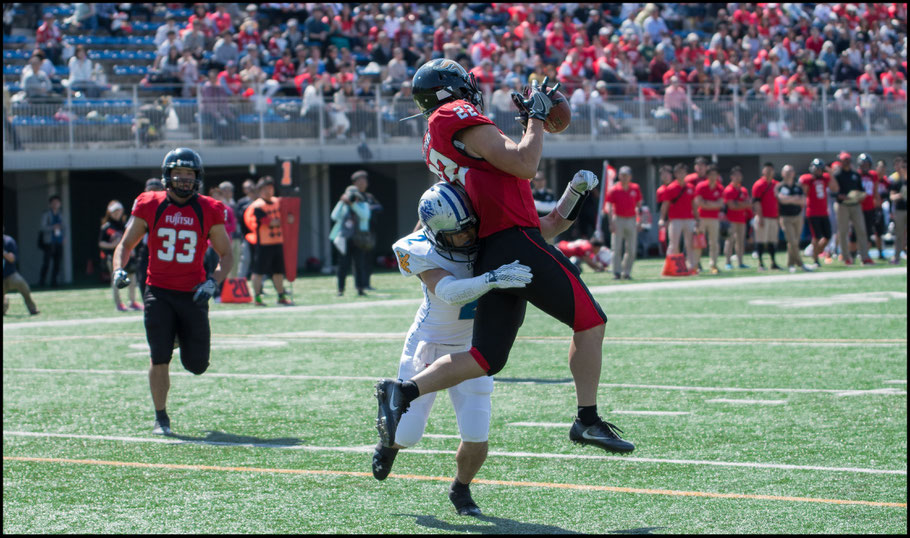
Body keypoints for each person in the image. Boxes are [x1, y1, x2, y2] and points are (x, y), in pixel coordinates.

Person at [376, 60, 632, 462]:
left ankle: (403, 391)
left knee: (487, 358)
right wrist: (535, 118)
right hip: (512, 245)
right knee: (591, 321)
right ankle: (587, 417)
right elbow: (526, 163)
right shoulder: (451, 113)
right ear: (450, 92)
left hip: (501, 247)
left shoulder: (466, 159)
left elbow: (544, 226)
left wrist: (576, 192)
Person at [374, 182, 533, 516]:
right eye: (459, 234)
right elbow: (449, 292)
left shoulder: (484, 235)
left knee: (477, 435)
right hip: (428, 347)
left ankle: (460, 490)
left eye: (470, 228)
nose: (469, 237)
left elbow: (544, 228)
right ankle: (389, 444)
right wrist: (491, 279)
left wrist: (573, 197)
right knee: (408, 434)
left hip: (471, 350)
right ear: (438, 234)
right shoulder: (421, 251)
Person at [111, 147, 233, 435]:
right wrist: (119, 268)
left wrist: (213, 282)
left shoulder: (209, 208)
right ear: (167, 176)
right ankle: (161, 417)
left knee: (197, 364)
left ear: (197, 177)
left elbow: (226, 255)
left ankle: (176, 337)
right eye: (178, 173)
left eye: (189, 174)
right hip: (158, 291)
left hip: (193, 293)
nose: (183, 179)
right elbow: (126, 245)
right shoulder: (149, 204)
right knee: (159, 356)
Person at [243, 176, 291, 306]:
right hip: (263, 244)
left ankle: (281, 296)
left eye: (270, 188)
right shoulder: (258, 206)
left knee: (278, 272)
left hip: (277, 242)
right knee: (258, 271)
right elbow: (270, 222)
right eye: (265, 189)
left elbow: (289, 216)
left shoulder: (278, 202)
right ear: (259, 191)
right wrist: (284, 220)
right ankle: (257, 298)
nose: (268, 191)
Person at [329, 182, 370, 297]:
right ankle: (340, 289)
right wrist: (341, 202)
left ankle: (360, 288)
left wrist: (353, 204)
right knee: (342, 265)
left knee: (359, 264)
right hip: (344, 239)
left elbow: (364, 216)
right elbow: (334, 216)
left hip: (359, 239)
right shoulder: (343, 206)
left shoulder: (363, 205)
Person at [833, 152, 874, 266]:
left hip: (855, 204)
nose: (847, 162)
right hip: (843, 205)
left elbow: (860, 189)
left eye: (848, 160)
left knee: (861, 230)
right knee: (843, 231)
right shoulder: (837, 175)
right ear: (841, 162)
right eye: (844, 160)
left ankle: (865, 257)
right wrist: (840, 196)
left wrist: (860, 195)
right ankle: (846, 257)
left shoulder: (855, 174)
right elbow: (833, 191)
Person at [99, 200, 140, 311]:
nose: (117, 213)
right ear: (110, 213)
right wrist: (112, 245)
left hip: (126, 256)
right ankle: (119, 304)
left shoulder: (125, 224)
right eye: (114, 211)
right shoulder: (106, 227)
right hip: (112, 257)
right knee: (116, 279)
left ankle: (132, 302)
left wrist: (131, 250)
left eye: (118, 211)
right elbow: (101, 243)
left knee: (132, 278)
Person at [604, 166, 641, 280]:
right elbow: (609, 207)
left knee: (631, 248)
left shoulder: (635, 188)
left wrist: (639, 220)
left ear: (630, 176)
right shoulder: (614, 189)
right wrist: (611, 222)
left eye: (627, 175)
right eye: (622, 175)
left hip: (631, 219)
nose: (624, 178)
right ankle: (616, 272)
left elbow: (638, 206)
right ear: (619, 176)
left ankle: (626, 272)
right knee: (616, 247)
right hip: (618, 219)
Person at [799, 158, 837, 267]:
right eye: (816, 169)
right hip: (812, 212)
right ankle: (815, 259)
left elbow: (834, 188)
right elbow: (804, 193)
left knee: (828, 236)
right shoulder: (808, 179)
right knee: (816, 237)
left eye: (820, 169)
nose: (818, 171)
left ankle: (815, 253)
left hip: (824, 212)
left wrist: (830, 173)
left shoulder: (825, 178)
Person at [349, 170, 382, 291]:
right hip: (356, 233)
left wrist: (369, 208)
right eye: (360, 181)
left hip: (369, 232)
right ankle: (359, 284)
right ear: (354, 183)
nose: (363, 183)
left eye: (364, 181)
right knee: (358, 260)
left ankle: (367, 283)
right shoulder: (352, 197)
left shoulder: (369, 197)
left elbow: (379, 207)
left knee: (368, 259)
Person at [776, 165, 812, 272]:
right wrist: (794, 199)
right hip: (786, 217)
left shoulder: (798, 186)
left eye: (791, 171)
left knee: (795, 241)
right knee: (792, 241)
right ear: (783, 173)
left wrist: (789, 199)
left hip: (797, 216)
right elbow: (782, 200)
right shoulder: (780, 186)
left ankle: (790, 264)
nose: (789, 173)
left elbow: (803, 201)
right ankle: (800, 263)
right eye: (787, 172)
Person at [663, 163, 698, 272]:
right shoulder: (671, 188)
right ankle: (674, 267)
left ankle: (692, 267)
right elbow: (665, 204)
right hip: (675, 219)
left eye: (683, 172)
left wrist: (697, 218)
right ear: (675, 174)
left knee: (690, 244)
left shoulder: (691, 187)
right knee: (674, 244)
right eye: (679, 172)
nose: (681, 174)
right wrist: (662, 218)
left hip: (689, 218)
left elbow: (694, 204)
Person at [135, 178, 166, 298]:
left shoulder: (168, 205)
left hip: (163, 250)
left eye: (156, 190)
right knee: (143, 279)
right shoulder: (141, 204)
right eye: (150, 190)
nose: (153, 194)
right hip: (146, 248)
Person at [694, 164, 725, 274]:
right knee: (699, 242)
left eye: (715, 174)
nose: (713, 177)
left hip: (714, 218)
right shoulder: (701, 186)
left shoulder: (720, 188)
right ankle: (697, 264)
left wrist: (707, 203)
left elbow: (721, 204)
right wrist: (713, 204)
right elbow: (699, 202)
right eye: (711, 174)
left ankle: (713, 264)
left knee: (714, 242)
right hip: (701, 217)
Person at [752, 162, 783, 271]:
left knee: (772, 241)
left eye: (771, 170)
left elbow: (778, 202)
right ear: (763, 171)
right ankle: (760, 263)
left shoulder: (776, 185)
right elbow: (756, 202)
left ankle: (773, 262)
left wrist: (779, 217)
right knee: (761, 241)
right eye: (767, 170)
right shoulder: (759, 184)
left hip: (773, 217)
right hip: (763, 217)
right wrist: (759, 217)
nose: (769, 173)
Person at [3, 229, 40, 316]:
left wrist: (4, 252)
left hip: (10, 274)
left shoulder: (8, 241)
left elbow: (12, 259)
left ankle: (32, 308)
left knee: (21, 282)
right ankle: (4, 303)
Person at [856, 153, 885, 260]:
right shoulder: (856, 175)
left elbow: (876, 192)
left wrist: (878, 206)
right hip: (858, 208)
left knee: (868, 231)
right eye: (863, 164)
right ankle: (856, 252)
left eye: (867, 164)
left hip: (870, 207)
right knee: (858, 231)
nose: (865, 166)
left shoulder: (873, 175)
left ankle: (865, 252)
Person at [723, 166, 751, 270]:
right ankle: (728, 262)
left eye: (739, 175)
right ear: (731, 177)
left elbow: (749, 204)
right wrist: (742, 204)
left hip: (741, 220)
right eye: (736, 175)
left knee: (740, 241)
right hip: (730, 220)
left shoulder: (743, 190)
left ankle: (740, 262)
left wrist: (739, 204)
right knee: (729, 241)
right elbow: (731, 206)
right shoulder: (728, 190)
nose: (738, 177)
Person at [38, 194, 65, 287]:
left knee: (57, 262)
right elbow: (42, 227)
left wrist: (63, 237)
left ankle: (54, 282)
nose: (55, 204)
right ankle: (42, 281)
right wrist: (53, 227)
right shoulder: (46, 214)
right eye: (53, 203)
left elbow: (64, 227)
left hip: (58, 241)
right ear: (50, 204)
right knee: (46, 263)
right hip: (49, 242)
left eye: (57, 203)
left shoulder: (61, 214)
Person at [888, 157, 907, 264]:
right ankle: (896, 257)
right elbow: (891, 197)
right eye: (903, 167)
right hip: (900, 210)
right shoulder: (897, 182)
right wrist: (901, 195)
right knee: (899, 235)